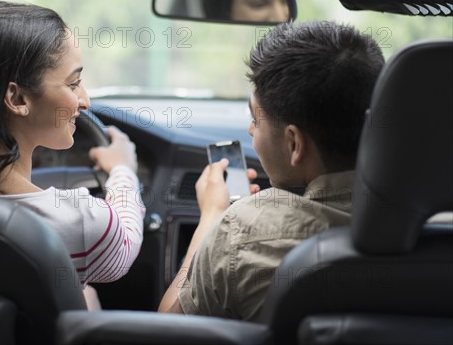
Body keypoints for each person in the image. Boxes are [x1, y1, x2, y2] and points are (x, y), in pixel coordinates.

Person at [159, 20, 384, 320]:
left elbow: (168, 327)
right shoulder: (435, 223)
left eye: (256, 118)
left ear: (294, 143)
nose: (250, 128)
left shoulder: (244, 230)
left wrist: (212, 218)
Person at [0, 1, 145, 309]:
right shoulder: (76, 220)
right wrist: (123, 171)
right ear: (17, 98)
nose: (84, 101)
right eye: (74, 83)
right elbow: (126, 242)